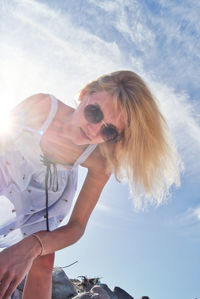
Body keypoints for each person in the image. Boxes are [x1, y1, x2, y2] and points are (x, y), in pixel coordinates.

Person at [0, 70, 181, 299]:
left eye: (108, 131)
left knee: (44, 260)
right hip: (8, 169)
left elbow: (77, 227)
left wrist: (32, 246)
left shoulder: (101, 161)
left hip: (44, 199)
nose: (93, 130)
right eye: (94, 112)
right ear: (85, 94)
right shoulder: (43, 107)